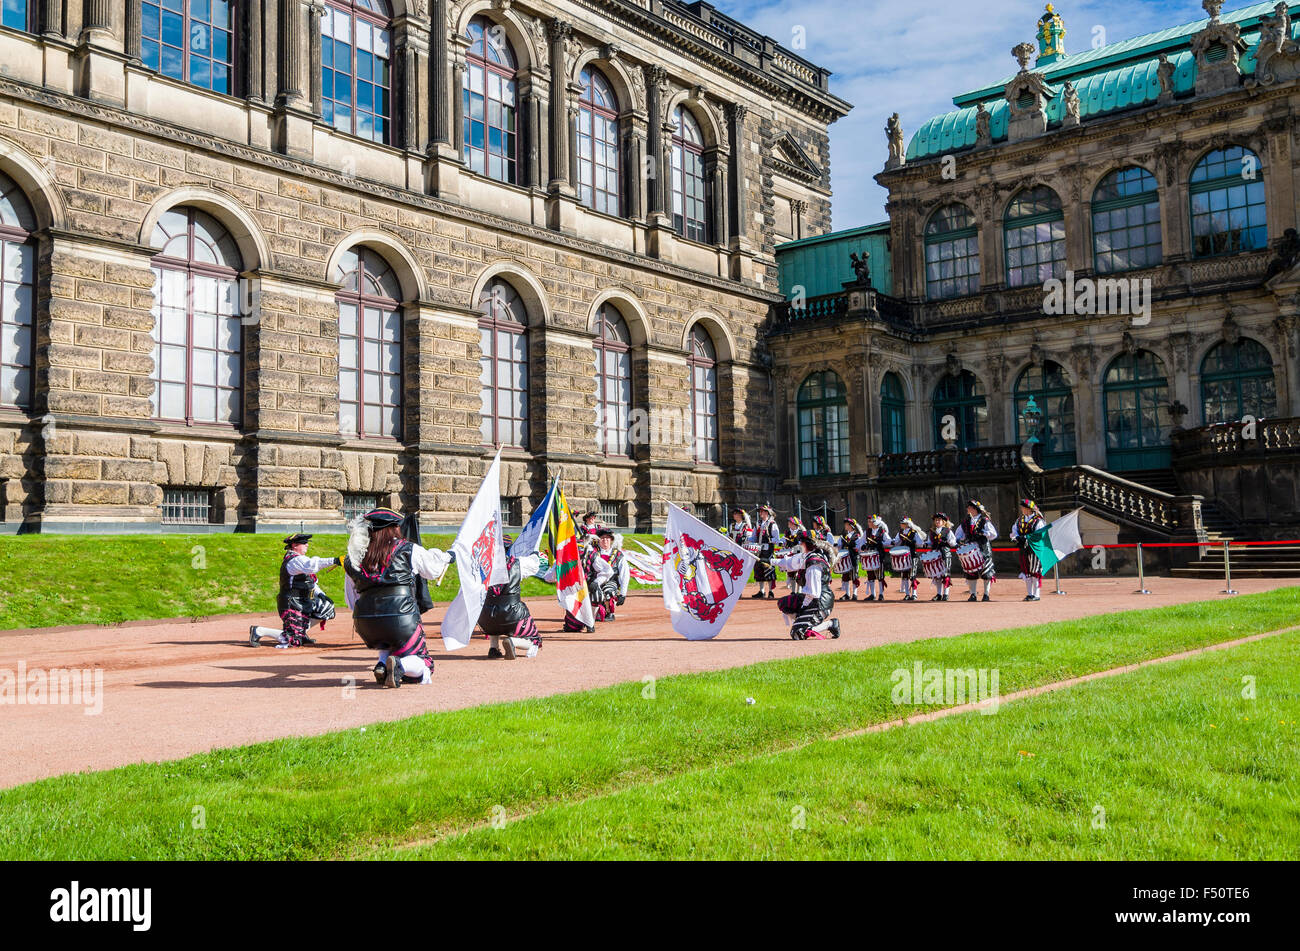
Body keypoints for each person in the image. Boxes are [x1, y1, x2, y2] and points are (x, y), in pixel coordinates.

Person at [342, 508, 452, 687]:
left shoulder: (353, 556)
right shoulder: (407, 548)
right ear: (394, 528)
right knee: (424, 663)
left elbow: (351, 597)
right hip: (401, 618)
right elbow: (433, 569)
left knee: (386, 638)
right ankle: (399, 665)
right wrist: (448, 557)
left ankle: (382, 664)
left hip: (365, 623)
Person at [249, 533, 340, 649]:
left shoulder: (301, 559)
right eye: (304, 543)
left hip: (304, 601)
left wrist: (321, 594)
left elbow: (310, 582)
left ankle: (300, 632)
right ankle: (259, 631)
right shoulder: (294, 560)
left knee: (327, 608)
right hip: (291, 603)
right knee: (292, 640)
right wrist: (335, 560)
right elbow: (311, 565)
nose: (307, 545)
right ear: (294, 545)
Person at [478, 535, 544, 659]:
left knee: (492, 611)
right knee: (534, 638)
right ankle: (514, 642)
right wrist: (535, 553)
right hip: (512, 615)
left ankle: (493, 647)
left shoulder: (482, 566)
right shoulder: (518, 563)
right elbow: (535, 565)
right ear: (509, 548)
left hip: (486, 617)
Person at [774, 531, 840, 640]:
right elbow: (789, 562)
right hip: (811, 599)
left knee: (797, 634)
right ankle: (804, 622)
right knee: (784, 603)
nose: (799, 544)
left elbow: (813, 592)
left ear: (806, 544)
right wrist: (769, 561)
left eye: (801, 542)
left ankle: (831, 624)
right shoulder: (806, 556)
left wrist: (803, 608)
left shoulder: (814, 563)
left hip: (820, 602)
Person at [956, 499, 998, 602]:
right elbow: (958, 535)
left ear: (974, 509)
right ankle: (973, 594)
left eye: (969, 507)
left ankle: (986, 594)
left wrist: (984, 533)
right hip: (971, 549)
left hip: (983, 548)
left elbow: (993, 534)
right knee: (971, 572)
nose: (967, 509)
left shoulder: (984, 520)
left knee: (986, 571)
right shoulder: (966, 522)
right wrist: (959, 541)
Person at [584, 528, 629, 623]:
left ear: (611, 540)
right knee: (592, 593)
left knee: (608, 592)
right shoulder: (593, 552)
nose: (605, 540)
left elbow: (624, 574)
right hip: (596, 580)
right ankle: (594, 613)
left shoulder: (618, 555)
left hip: (611, 581)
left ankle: (609, 612)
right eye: (603, 538)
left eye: (608, 538)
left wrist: (623, 594)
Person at [1011, 498, 1047, 601]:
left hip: (1035, 549)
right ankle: (1030, 594)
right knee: (1026, 571)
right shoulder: (1020, 520)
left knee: (1035, 571)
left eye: (1023, 507)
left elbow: (1039, 534)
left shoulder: (1038, 521)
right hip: (1024, 548)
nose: (1022, 509)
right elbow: (1014, 531)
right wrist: (1017, 537)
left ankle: (1037, 594)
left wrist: (1026, 538)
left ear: (1028, 509)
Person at [892, 517, 929, 602]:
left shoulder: (914, 532)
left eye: (902, 523)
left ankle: (914, 594)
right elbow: (896, 542)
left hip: (912, 555)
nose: (901, 525)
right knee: (905, 575)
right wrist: (893, 542)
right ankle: (907, 594)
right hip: (904, 556)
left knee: (912, 575)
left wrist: (916, 542)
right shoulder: (900, 533)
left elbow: (920, 543)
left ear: (906, 524)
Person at [750, 503, 782, 599]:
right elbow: (754, 536)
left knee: (769, 570)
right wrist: (748, 540)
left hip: (768, 551)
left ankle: (771, 592)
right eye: (760, 512)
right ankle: (761, 591)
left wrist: (770, 540)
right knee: (759, 569)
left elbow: (777, 538)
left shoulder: (772, 524)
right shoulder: (758, 523)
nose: (761, 513)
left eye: (763, 511)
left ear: (767, 513)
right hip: (759, 551)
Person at [856, 515, 892, 602]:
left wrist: (881, 544)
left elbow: (889, 541)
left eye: (870, 521)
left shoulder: (882, 532)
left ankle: (881, 594)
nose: (868, 523)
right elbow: (861, 542)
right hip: (869, 555)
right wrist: (863, 546)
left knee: (880, 576)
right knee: (870, 575)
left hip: (878, 555)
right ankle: (872, 594)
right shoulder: (867, 532)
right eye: (868, 521)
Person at [927, 513, 959, 602]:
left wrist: (948, 541)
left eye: (939, 520)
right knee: (937, 575)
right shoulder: (932, 531)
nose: (937, 521)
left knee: (945, 574)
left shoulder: (947, 531)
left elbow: (953, 542)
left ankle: (946, 594)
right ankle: (939, 594)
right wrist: (926, 544)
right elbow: (930, 542)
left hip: (945, 553)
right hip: (935, 554)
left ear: (944, 522)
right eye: (936, 520)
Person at [839, 517, 864, 600]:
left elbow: (859, 546)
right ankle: (847, 594)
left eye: (846, 524)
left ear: (850, 526)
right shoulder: (843, 535)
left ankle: (855, 594)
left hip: (853, 557)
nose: (845, 526)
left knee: (854, 575)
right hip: (845, 558)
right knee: (845, 575)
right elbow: (839, 546)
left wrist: (855, 548)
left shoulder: (857, 535)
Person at [783, 515, 807, 594]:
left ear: (795, 524)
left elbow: (802, 545)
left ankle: (799, 591)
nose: (788, 523)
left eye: (790, 522)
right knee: (791, 573)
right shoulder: (787, 532)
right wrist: (782, 543)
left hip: (799, 555)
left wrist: (795, 550)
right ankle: (793, 591)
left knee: (799, 573)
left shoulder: (801, 533)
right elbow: (783, 540)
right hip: (791, 554)